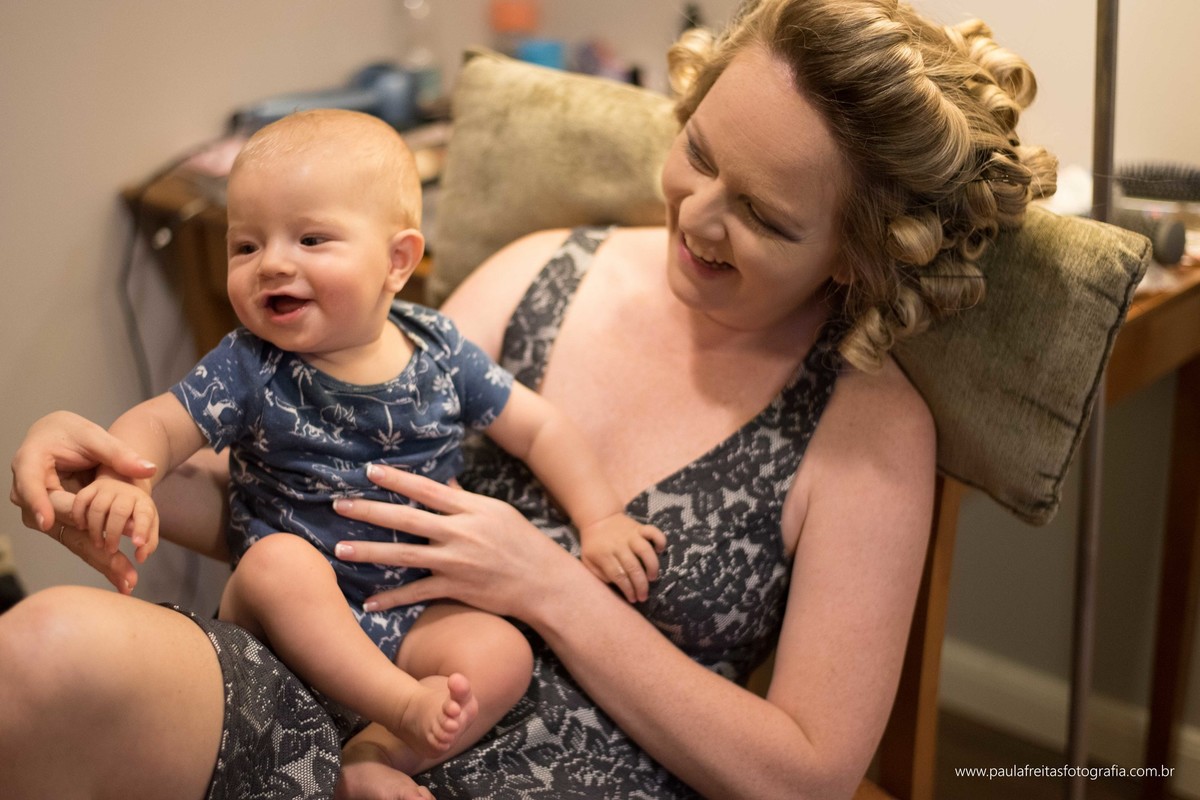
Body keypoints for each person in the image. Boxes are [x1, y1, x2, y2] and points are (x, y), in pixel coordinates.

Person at [3, 1, 1057, 798]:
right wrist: (119, 474)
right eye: (698, 152)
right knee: (40, 652)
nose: (698, 214)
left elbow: (808, 774)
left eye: (768, 217)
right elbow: (322, 487)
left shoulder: (866, 428)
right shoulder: (544, 272)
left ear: (860, 252)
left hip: (574, 769)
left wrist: (552, 586)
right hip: (332, 686)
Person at [50, 107, 667, 778]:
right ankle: (398, 707)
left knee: (503, 654)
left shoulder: (442, 351)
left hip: (413, 606)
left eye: (311, 240)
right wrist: (125, 474)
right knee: (279, 564)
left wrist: (600, 518)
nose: (271, 265)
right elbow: (165, 422)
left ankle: (375, 755)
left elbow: (539, 426)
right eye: (246, 245)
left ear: (398, 261)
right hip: (288, 615)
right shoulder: (250, 364)